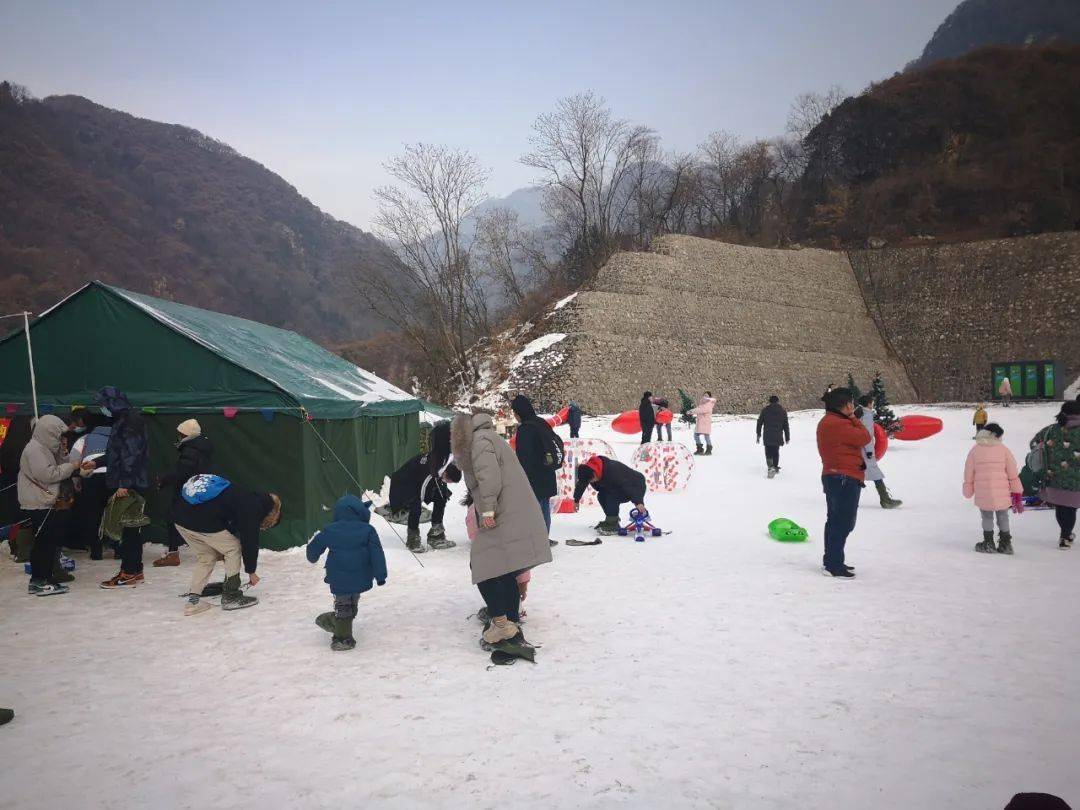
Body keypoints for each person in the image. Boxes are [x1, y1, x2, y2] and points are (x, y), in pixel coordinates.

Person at [450, 411, 551, 648]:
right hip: (512, 512)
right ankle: (510, 624)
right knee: (504, 569)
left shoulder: (480, 441)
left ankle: (502, 624)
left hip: (503, 513)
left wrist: (487, 510)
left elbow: (489, 477)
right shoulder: (489, 438)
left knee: (483, 565)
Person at [173, 473, 281, 615]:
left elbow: (227, 523)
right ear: (269, 514)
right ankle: (231, 596)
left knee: (207, 556)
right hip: (198, 519)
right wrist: (251, 571)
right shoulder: (252, 508)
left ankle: (193, 602)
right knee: (233, 549)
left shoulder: (241, 494)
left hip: (178, 517)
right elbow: (250, 540)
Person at [306, 495, 387, 651]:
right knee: (351, 602)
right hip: (361, 576)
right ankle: (342, 633)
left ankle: (341, 633)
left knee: (343, 604)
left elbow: (313, 549)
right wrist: (380, 575)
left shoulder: (330, 530)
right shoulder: (368, 530)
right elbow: (377, 553)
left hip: (338, 578)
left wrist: (312, 557)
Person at [91, 388, 151, 589]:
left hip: (131, 486)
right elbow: (116, 453)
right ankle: (135, 570)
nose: (102, 409)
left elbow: (130, 456)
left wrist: (124, 484)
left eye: (104, 404)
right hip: (129, 483)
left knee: (129, 530)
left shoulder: (130, 422)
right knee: (130, 528)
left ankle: (130, 572)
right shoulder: (122, 421)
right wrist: (97, 462)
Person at [17, 415, 78, 596]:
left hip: (44, 500)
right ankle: (38, 580)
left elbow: (59, 465)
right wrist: (72, 466)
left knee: (49, 542)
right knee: (44, 544)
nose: (60, 439)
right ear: (49, 432)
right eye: (58, 435)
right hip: (38, 502)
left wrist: (63, 453)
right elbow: (48, 475)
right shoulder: (35, 450)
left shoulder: (45, 447)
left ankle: (45, 577)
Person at [816, 387, 871, 579]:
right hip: (843, 477)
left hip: (836, 476)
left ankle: (832, 560)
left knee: (835, 521)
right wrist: (854, 418)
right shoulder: (837, 424)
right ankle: (833, 563)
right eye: (851, 404)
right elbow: (865, 437)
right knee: (843, 522)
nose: (853, 407)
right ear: (845, 405)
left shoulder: (830, 421)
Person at [154, 418, 214, 567]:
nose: (178, 436)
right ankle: (218, 550)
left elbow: (182, 471)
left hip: (188, 490)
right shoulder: (201, 446)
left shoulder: (191, 450)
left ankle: (173, 554)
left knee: (172, 517)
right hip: (198, 488)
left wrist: (164, 479)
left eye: (180, 433)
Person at [510, 394, 564, 545]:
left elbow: (525, 457)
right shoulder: (541, 422)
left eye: (514, 412)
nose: (514, 416)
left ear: (519, 412)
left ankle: (537, 541)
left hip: (534, 476)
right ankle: (543, 538)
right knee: (544, 506)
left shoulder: (525, 429)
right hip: (547, 472)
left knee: (534, 508)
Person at [963, 423, 1022, 554]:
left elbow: (969, 471)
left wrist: (968, 486)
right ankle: (1006, 544)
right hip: (1002, 491)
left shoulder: (975, 450)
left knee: (987, 517)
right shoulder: (1003, 449)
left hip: (983, 491)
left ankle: (988, 543)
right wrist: (1016, 489)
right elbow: (1012, 471)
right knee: (1003, 516)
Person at [383, 452, 460, 553]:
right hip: (404, 481)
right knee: (415, 503)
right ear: (445, 473)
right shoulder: (430, 470)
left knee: (442, 495)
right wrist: (417, 501)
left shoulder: (444, 465)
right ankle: (412, 538)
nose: (448, 483)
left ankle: (436, 534)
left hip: (419, 477)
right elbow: (420, 493)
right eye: (449, 480)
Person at [1032, 400, 1080, 549]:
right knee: (1070, 507)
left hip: (1054, 476)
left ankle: (1064, 534)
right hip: (1076, 478)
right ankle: (1065, 536)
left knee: (1060, 506)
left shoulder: (1051, 429)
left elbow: (1034, 443)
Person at [67, 411, 112, 559]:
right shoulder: (116, 438)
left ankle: (96, 551)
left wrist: (76, 481)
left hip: (92, 478)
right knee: (115, 513)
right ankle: (118, 549)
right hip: (113, 478)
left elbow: (73, 460)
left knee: (93, 515)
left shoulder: (84, 439)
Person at [573, 455, 648, 535]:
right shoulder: (588, 470)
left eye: (591, 480)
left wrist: (638, 502)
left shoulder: (612, 470)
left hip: (635, 484)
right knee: (601, 496)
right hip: (616, 486)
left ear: (594, 474)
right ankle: (610, 520)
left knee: (611, 497)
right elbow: (582, 484)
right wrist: (576, 500)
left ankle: (613, 524)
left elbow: (626, 486)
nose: (592, 482)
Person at [856, 394, 902, 508]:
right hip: (865, 450)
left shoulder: (860, 413)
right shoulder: (865, 415)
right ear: (868, 403)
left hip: (860, 449)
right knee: (874, 473)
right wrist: (869, 451)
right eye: (872, 402)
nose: (873, 404)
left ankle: (843, 498)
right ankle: (885, 500)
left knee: (857, 474)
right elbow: (866, 434)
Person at [756, 395, 790, 475]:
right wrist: (787, 437)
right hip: (778, 435)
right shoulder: (783, 411)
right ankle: (775, 466)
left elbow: (759, 423)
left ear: (769, 401)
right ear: (778, 401)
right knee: (776, 451)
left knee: (768, 451)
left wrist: (758, 434)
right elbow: (786, 425)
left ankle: (771, 467)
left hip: (768, 435)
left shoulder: (765, 410)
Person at [690, 392, 717, 456]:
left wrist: (692, 411)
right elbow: (699, 409)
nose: (705, 396)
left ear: (709, 397)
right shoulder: (702, 403)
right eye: (704, 395)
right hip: (700, 422)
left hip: (705, 423)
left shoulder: (709, 403)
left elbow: (702, 410)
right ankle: (700, 449)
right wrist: (691, 410)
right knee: (696, 435)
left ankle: (709, 449)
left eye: (707, 396)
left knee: (706, 436)